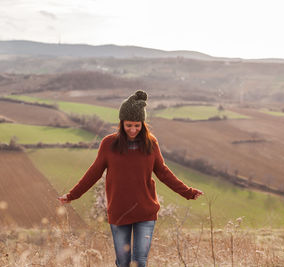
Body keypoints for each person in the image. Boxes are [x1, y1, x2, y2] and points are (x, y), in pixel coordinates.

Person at [58, 90, 203, 267]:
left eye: (137, 125)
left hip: (146, 211)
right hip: (119, 211)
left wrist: (188, 192)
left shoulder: (151, 144)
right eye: (128, 125)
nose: (133, 130)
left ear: (142, 124)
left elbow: (163, 172)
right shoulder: (108, 144)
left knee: (140, 261)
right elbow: (94, 173)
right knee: (123, 262)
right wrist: (73, 195)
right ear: (121, 123)